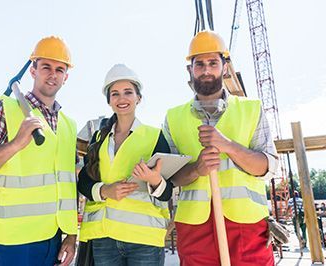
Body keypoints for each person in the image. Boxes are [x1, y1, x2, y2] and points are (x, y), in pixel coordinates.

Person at [163, 30, 278, 265]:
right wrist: (197, 169)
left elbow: (266, 167)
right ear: (190, 70)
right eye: (200, 64)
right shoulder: (173, 118)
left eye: (213, 63)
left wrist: (228, 146)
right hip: (195, 228)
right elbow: (170, 178)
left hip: (246, 224)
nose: (206, 70)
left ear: (225, 67)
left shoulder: (251, 109)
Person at [0, 36, 78, 266]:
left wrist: (71, 235)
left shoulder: (68, 125)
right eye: (46, 67)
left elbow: (67, 185)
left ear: (66, 78)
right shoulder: (7, 108)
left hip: (52, 238)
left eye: (59, 69)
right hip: (12, 241)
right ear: (33, 71)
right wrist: (16, 143)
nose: (53, 74)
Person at [77, 64, 172, 266]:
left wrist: (154, 180)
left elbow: (167, 192)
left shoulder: (155, 136)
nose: (122, 99)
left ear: (138, 98)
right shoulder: (98, 137)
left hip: (144, 239)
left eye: (128, 92)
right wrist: (104, 190)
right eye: (115, 94)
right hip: (105, 237)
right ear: (109, 101)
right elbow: (84, 181)